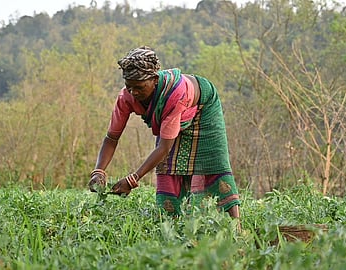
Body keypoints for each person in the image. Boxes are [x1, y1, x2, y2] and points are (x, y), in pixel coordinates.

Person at [88, 46, 240, 219]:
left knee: (214, 164)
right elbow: (112, 137)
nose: (134, 92)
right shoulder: (126, 97)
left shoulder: (172, 95)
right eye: (129, 87)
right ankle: (173, 225)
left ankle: (235, 228)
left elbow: (164, 148)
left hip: (204, 108)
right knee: (167, 169)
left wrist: (132, 180)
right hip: (172, 118)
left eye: (139, 87)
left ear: (154, 79)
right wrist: (98, 171)